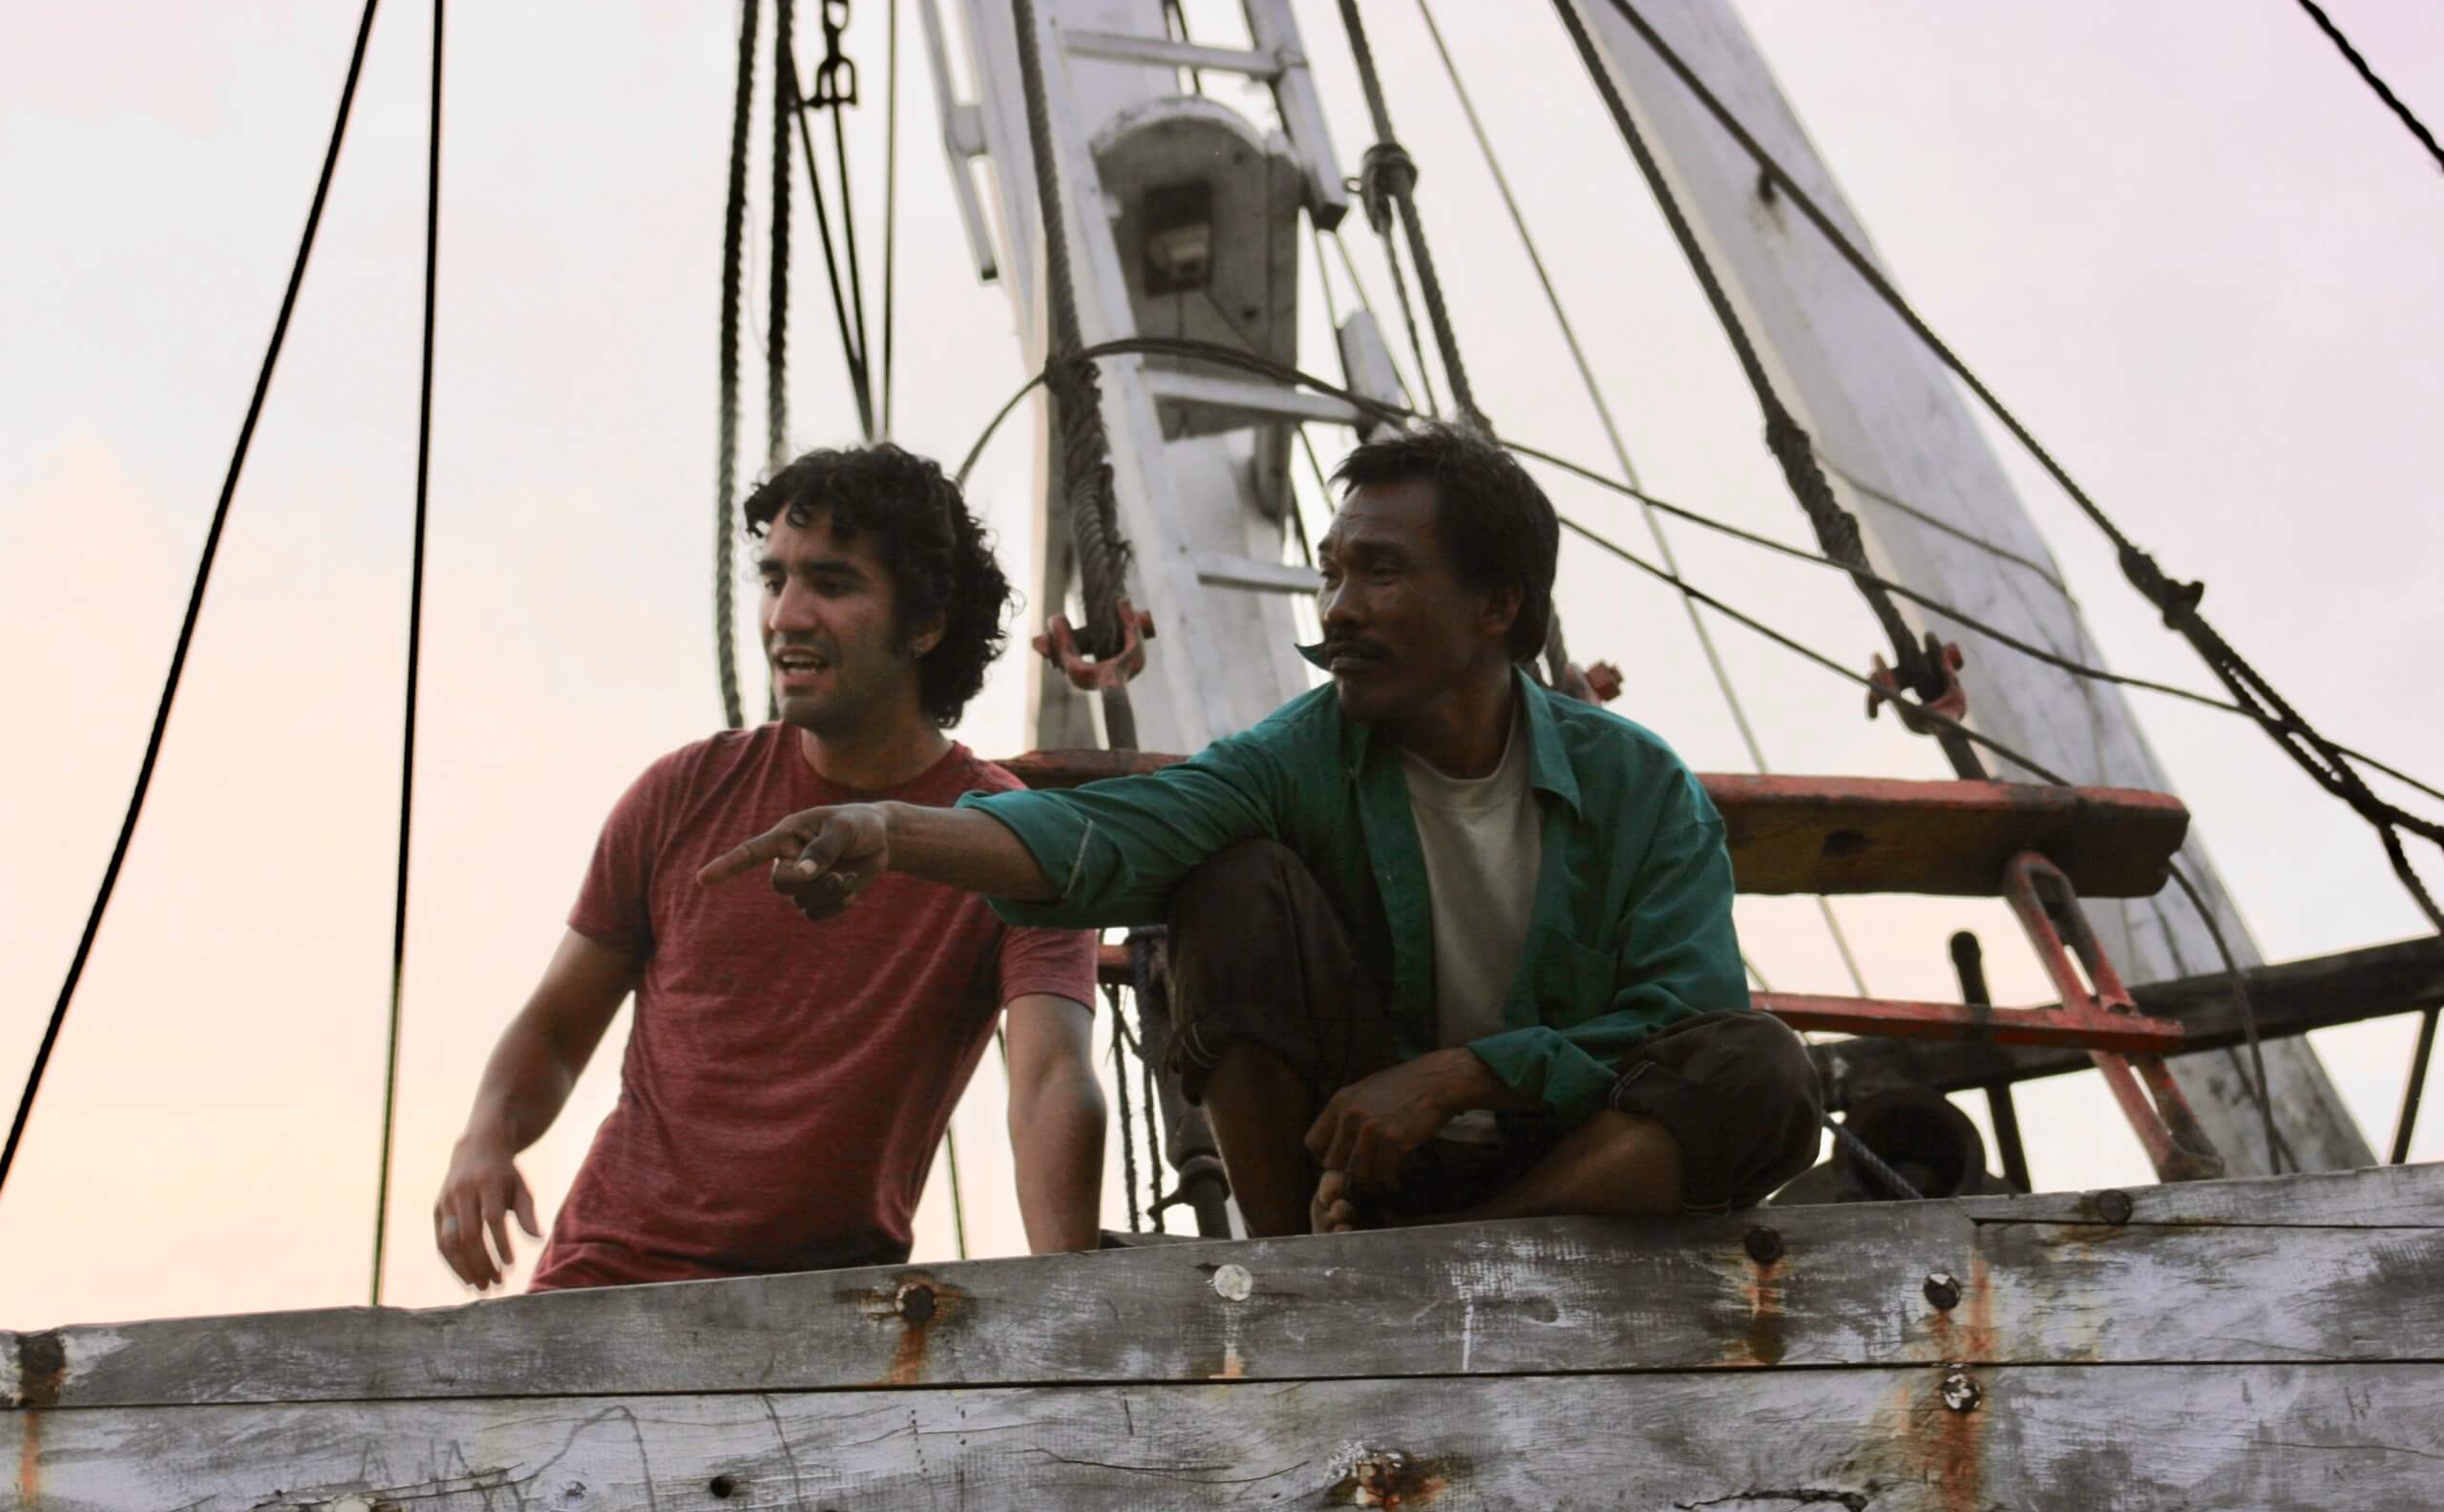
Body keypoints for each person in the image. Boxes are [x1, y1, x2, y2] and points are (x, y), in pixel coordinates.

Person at [703, 425, 1819, 1238]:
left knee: (1759, 1069)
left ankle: (1476, 1246)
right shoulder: (1303, 752)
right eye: (1331, 573)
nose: (1336, 610)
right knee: (1227, 885)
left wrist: (1460, 1075)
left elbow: (1678, 1023)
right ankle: (1299, 1271)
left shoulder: (1638, 787)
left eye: (1380, 572)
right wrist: (889, 829)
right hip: (1356, 1175)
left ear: (1498, 607)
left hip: (1579, 1170)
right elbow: (1114, 836)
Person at [434, 444, 1105, 1291]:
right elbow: (557, 1028)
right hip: (601, 1287)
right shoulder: (683, 794)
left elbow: (1050, 1079)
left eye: (830, 583)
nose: (786, 615)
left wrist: (1077, 1302)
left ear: (926, 622)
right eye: (774, 578)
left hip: (822, 1316)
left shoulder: (1008, 840)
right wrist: (485, 1137)